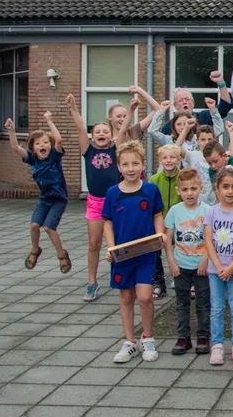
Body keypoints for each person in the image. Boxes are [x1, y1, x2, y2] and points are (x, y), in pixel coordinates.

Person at [103, 141, 164, 363]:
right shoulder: (112, 193)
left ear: (143, 165)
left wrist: (160, 235)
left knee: (145, 297)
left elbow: (158, 215)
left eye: (135, 163)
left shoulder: (151, 190)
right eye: (126, 164)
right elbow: (107, 222)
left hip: (146, 253)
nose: (131, 168)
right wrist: (110, 247)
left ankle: (148, 338)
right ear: (118, 167)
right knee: (126, 297)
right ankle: (130, 342)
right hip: (122, 254)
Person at [66, 93, 120, 301]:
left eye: (105, 131)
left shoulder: (116, 149)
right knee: (94, 243)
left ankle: (120, 275)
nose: (101, 133)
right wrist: (73, 108)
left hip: (116, 201)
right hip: (96, 202)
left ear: (110, 134)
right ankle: (91, 282)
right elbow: (80, 127)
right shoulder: (87, 150)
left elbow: (122, 131)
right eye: (97, 131)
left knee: (118, 241)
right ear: (92, 135)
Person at [6, 113, 71, 275]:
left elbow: (59, 140)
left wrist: (49, 120)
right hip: (44, 199)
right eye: (38, 143)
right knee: (34, 225)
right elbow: (15, 147)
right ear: (33, 148)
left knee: (49, 227)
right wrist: (12, 131)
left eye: (45, 142)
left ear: (50, 145)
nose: (42, 145)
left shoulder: (54, 158)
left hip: (59, 199)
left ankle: (61, 255)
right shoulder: (33, 160)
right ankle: (35, 250)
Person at [204, 166, 233, 365]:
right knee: (216, 308)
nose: (230, 191)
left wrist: (231, 267)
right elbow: (208, 242)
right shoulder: (211, 212)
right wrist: (218, 266)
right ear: (217, 189)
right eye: (225, 187)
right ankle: (218, 345)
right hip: (215, 270)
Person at [164, 168, 211, 356]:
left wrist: (205, 260)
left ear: (201, 188)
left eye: (193, 188)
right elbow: (167, 239)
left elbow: (211, 238)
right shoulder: (174, 212)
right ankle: (183, 337)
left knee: (203, 303)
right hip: (181, 265)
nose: (189, 193)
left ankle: (203, 336)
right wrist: (171, 262)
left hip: (201, 266)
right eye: (185, 189)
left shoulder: (207, 210)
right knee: (181, 303)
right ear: (178, 191)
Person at [149, 144, 184, 299]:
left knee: (181, 250)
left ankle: (181, 279)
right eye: (165, 157)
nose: (169, 160)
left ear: (179, 160)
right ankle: (158, 283)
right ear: (160, 160)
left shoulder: (183, 177)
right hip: (159, 220)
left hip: (180, 222)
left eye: (172, 157)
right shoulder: (154, 179)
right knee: (155, 251)